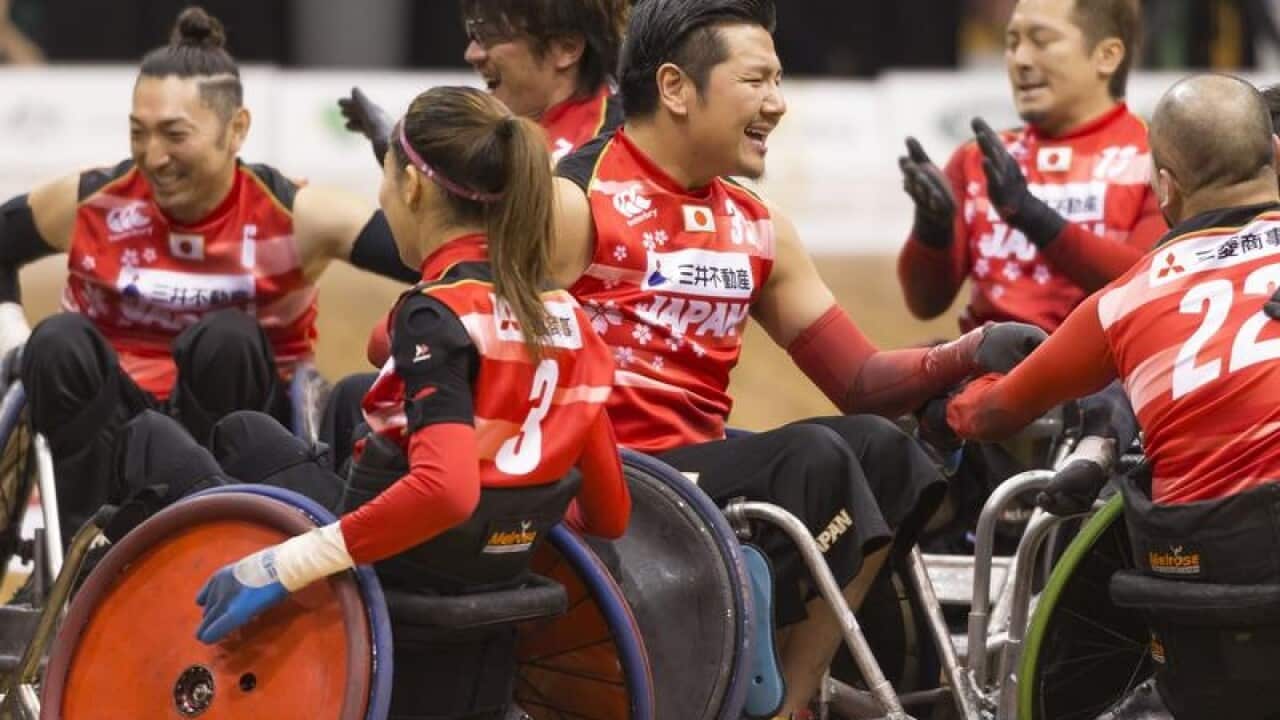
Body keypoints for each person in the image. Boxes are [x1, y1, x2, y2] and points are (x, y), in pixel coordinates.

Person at [537, 1, 1044, 714]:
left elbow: (861, 383)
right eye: (758, 80)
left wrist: (969, 352)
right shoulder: (572, 201)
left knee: (885, 449)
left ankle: (791, 695)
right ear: (677, 88)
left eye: (780, 80)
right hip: (606, 484)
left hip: (697, 470)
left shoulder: (758, 225)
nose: (778, 103)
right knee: (813, 457)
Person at [184, 86, 629, 717]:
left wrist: (292, 561)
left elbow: (446, 491)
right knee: (352, 399)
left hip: (404, 563)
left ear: (415, 190)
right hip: (501, 567)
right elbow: (609, 514)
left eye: (388, 182)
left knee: (236, 434)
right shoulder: (566, 316)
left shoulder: (435, 316)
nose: (383, 197)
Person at [0, 7, 420, 545]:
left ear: (237, 128)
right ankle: (88, 548)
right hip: (106, 429)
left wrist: (399, 157)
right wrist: (13, 331)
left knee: (230, 336)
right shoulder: (88, 201)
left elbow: (440, 252)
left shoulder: (301, 215)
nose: (154, 157)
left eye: (175, 134)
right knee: (56, 339)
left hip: (232, 433)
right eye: (138, 132)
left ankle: (220, 535)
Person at [944, 73, 1280, 719]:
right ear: (1272, 149)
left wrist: (954, 389)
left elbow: (993, 412)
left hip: (1199, 596)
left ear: (1165, 185)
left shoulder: (1126, 298)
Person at [339, 0, 627, 167]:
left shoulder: (619, 148)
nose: (472, 54)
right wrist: (399, 156)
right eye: (473, 33)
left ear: (566, 48)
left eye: (490, 35)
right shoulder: (495, 137)